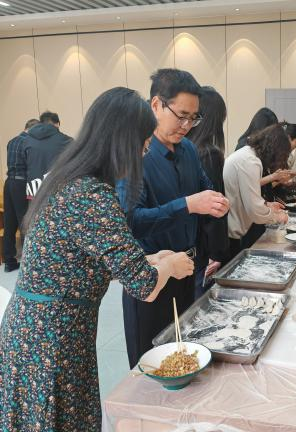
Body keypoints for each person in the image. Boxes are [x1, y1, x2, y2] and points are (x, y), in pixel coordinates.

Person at [0, 87, 195, 431]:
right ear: (121, 141)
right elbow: (145, 287)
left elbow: (87, 260)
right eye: (142, 142)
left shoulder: (72, 179)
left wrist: (150, 258)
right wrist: (167, 266)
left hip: (44, 330)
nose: (144, 150)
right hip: (50, 339)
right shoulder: (91, 195)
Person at [117, 69, 230, 368]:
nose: (187, 126)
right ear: (156, 105)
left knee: (182, 353)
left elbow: (204, 187)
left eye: (194, 118)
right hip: (152, 275)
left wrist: (215, 202)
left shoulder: (188, 149)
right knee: (150, 362)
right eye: (181, 116)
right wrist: (188, 205)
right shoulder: (137, 154)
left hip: (188, 269)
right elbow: (131, 221)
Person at [186, 86, 229, 297]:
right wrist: (217, 252)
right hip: (204, 249)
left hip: (188, 246)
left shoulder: (186, 150)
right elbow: (215, 209)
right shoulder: (208, 154)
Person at [224, 124, 290, 258]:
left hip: (233, 228)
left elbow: (246, 195)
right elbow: (254, 210)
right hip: (231, 234)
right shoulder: (250, 161)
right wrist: (277, 216)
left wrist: (267, 205)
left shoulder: (248, 154)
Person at [3, 118, 39, 272]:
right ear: (33, 129)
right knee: (25, 221)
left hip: (9, 183)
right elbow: (30, 166)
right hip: (21, 184)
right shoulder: (29, 143)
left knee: (9, 223)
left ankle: (9, 261)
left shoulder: (11, 141)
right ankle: (26, 262)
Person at [24, 111, 73, 199]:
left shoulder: (28, 140)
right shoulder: (66, 141)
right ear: (58, 124)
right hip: (56, 190)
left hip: (33, 189)